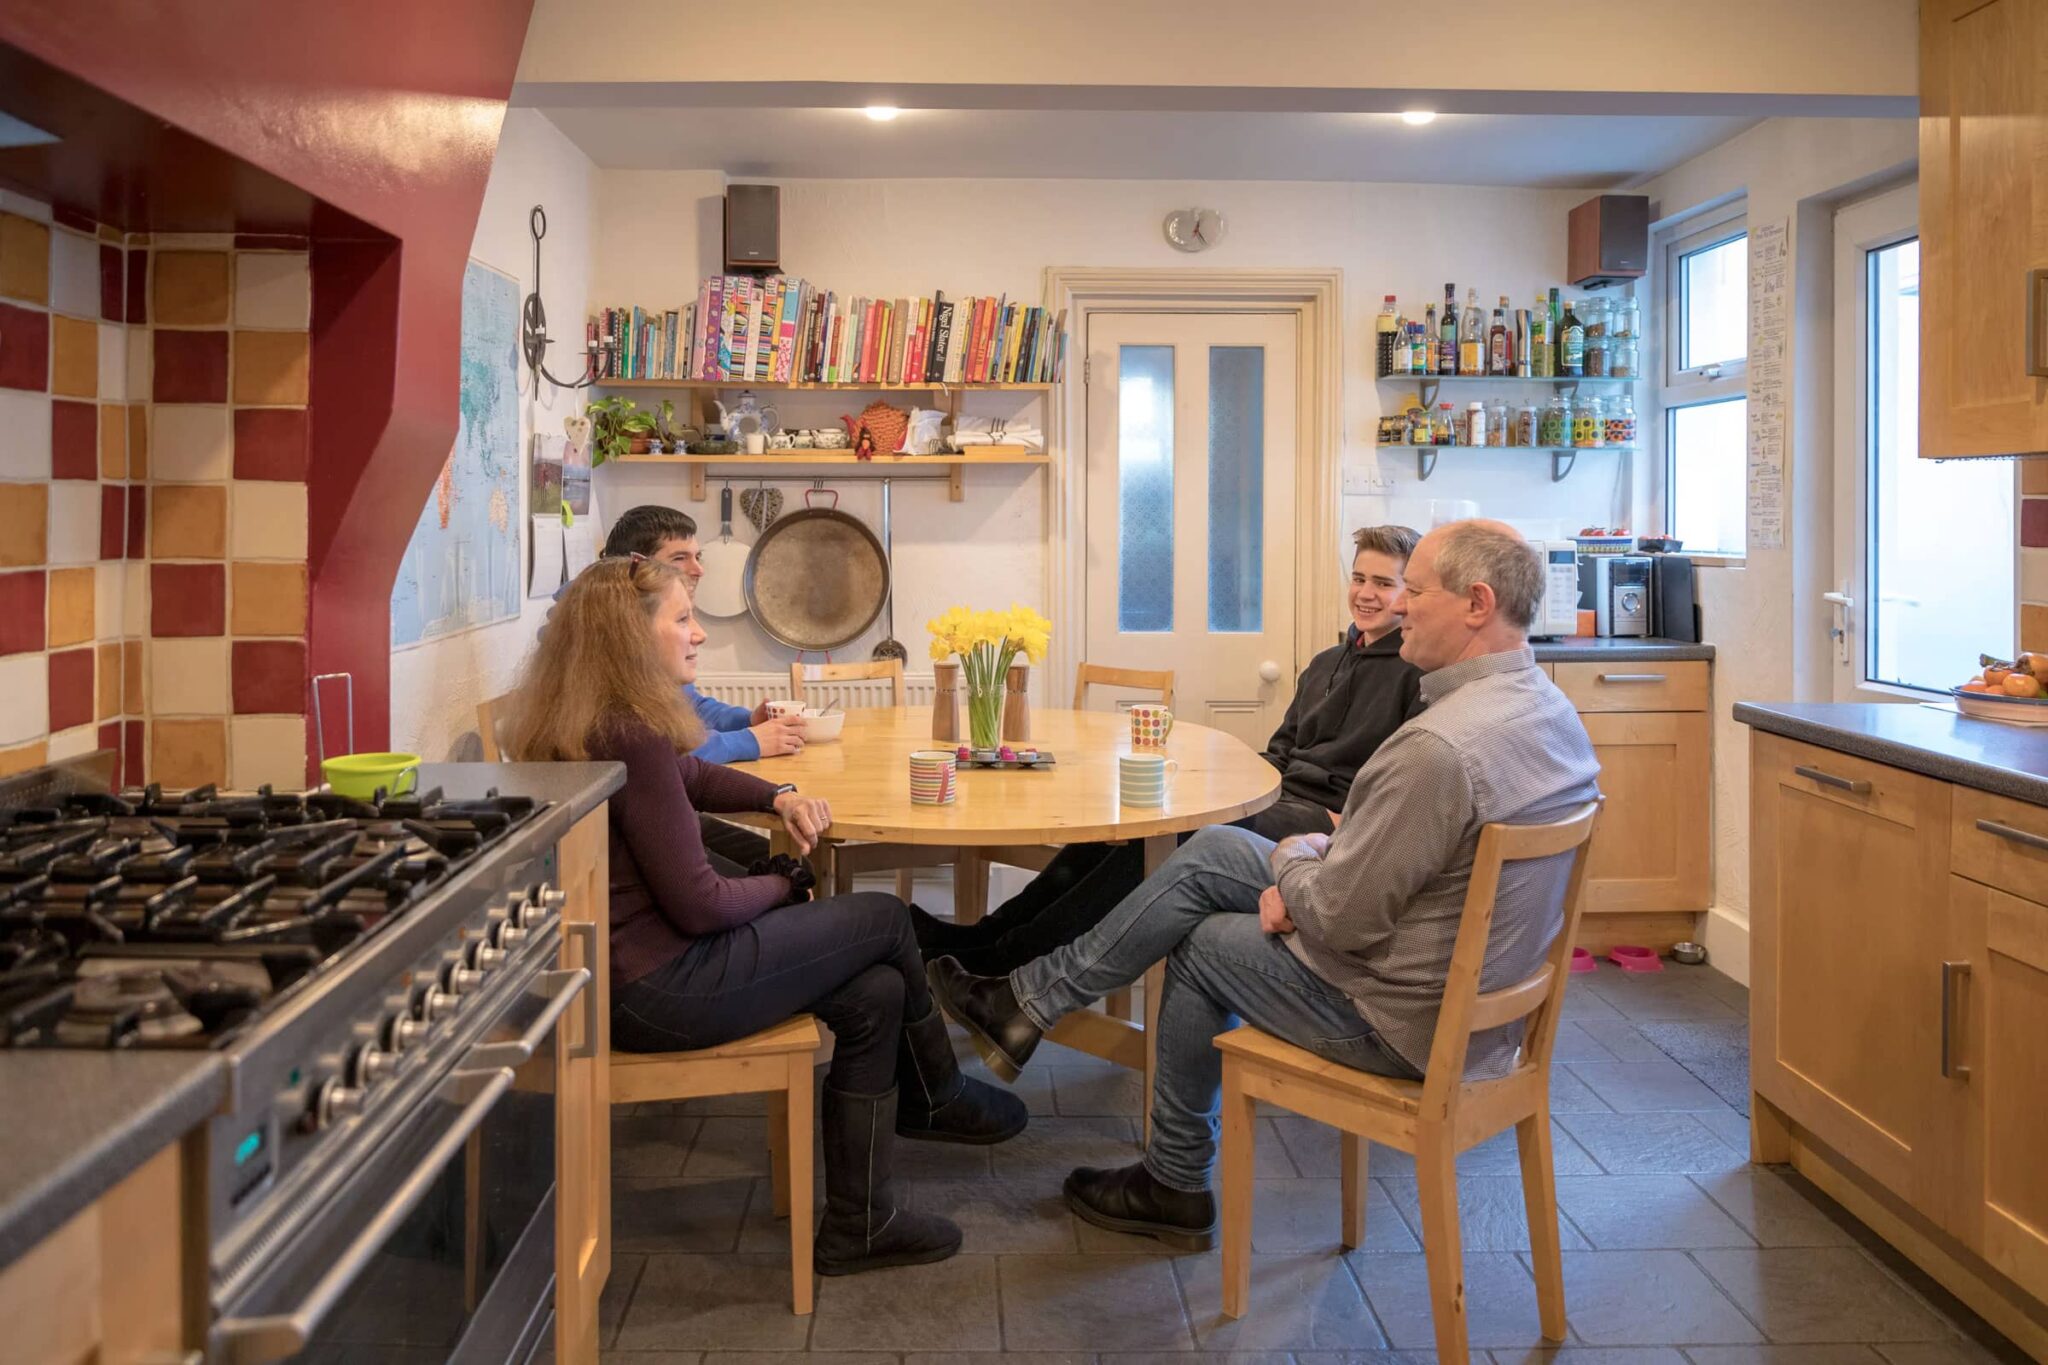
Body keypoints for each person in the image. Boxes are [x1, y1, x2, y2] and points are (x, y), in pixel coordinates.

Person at [928, 519, 1601, 1250]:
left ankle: (1168, 1171)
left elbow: (1340, 919)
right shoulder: (1551, 712)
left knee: (1201, 941)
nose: (1399, 604)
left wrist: (1292, 868)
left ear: (1477, 603)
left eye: (1412, 589)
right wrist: (1312, 857)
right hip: (1479, 1013)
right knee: (1215, 849)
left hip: (1402, 1018)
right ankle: (1029, 1001)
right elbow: (1398, 857)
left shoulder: (1438, 747)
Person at [507, 556, 1026, 1275]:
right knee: (886, 919)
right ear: (631, 635)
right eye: (683, 618)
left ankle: (860, 1225)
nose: (698, 634)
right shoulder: (629, 734)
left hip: (627, 980)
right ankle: (937, 1095)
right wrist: (784, 883)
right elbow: (701, 905)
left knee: (876, 990)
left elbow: (692, 775)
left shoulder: (590, 721)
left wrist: (775, 794)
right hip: (664, 989)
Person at [910, 525, 1425, 977]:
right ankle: (990, 936)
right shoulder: (1326, 662)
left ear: (1409, 595)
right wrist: (1223, 785)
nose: (1366, 594)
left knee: (1166, 834)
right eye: (1359, 578)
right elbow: (1279, 752)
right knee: (1134, 819)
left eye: (1384, 583)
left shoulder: (1414, 675)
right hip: (1277, 799)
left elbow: (1394, 789)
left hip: (1321, 824)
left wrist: (1339, 822)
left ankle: (1009, 957)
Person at [575, 505, 805, 871]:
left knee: (790, 864)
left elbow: (690, 707)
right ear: (637, 568)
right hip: (634, 835)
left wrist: (746, 721)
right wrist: (750, 740)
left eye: (698, 557)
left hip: (669, 809)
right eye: (680, 558)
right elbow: (663, 753)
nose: (698, 569)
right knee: (788, 873)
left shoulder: (654, 637)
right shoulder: (609, 652)